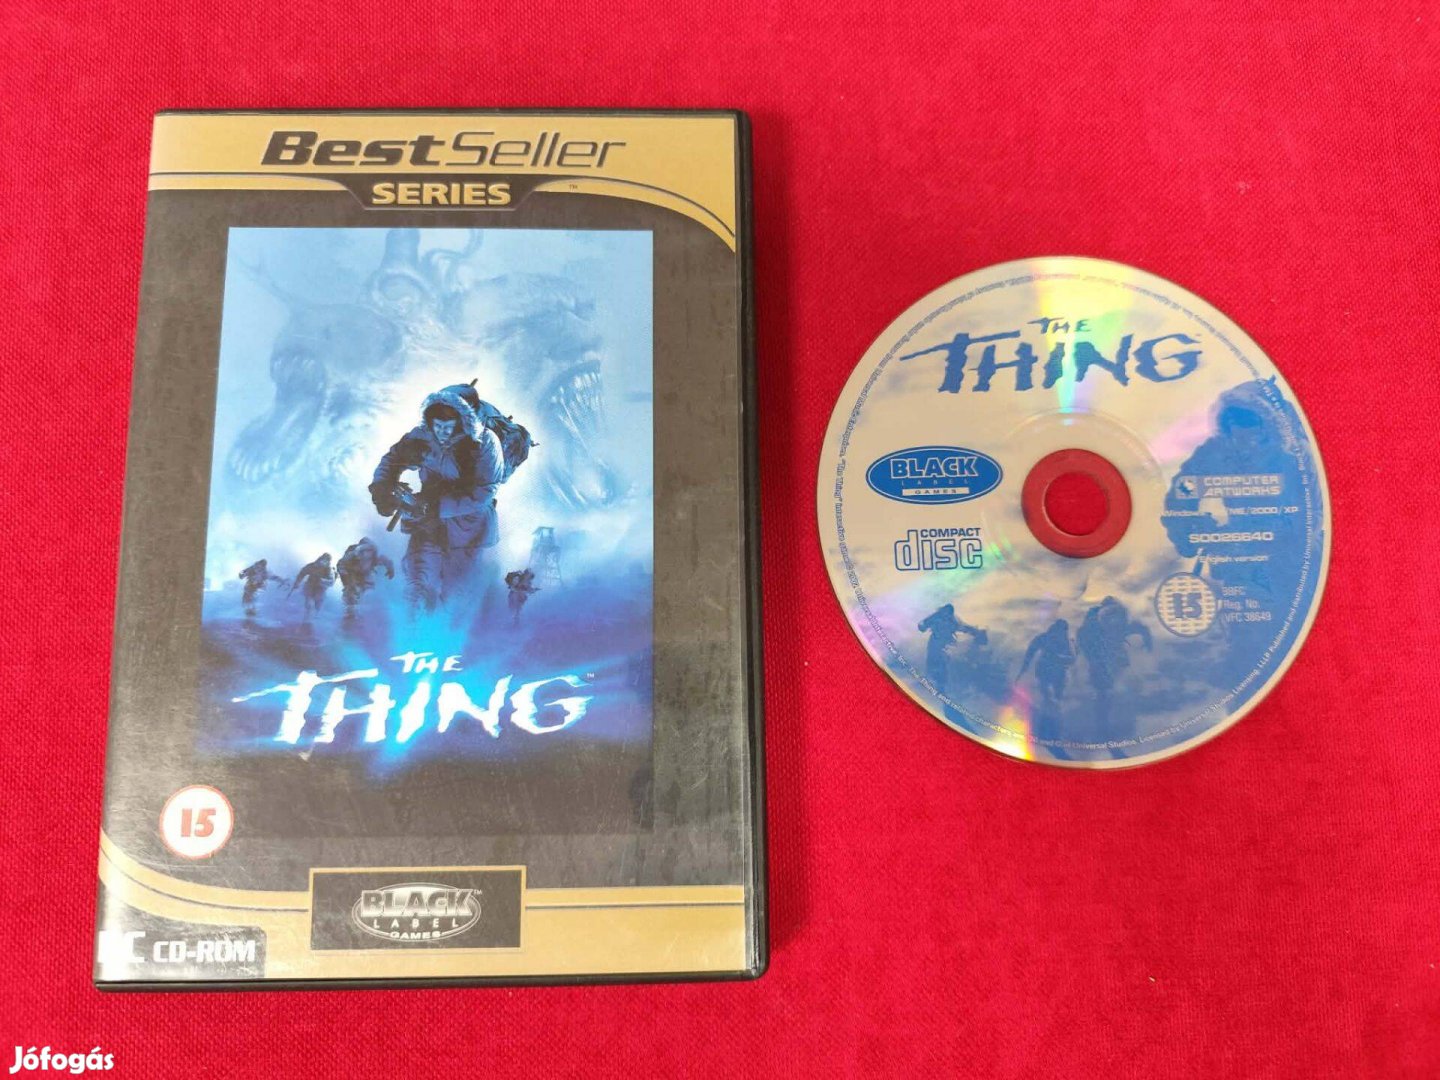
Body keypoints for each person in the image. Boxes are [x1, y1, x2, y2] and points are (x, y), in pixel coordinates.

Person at [369, 385, 512, 614]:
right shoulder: (421, 436)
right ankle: (415, 614)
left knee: (456, 586)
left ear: (462, 421)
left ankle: (447, 623)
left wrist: (436, 507)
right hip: (426, 517)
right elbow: (392, 460)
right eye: (438, 426)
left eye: (448, 427)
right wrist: (382, 489)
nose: (442, 432)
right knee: (418, 570)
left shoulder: (485, 443)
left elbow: (484, 492)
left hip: (469, 526)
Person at [1019, 618, 1074, 705]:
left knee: (1058, 695)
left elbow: (1072, 659)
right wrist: (1025, 666)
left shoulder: (1067, 641)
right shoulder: (1044, 637)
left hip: (1059, 671)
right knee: (1046, 694)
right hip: (1044, 669)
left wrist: (1059, 658)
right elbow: (1031, 651)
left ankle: (1055, 704)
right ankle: (1048, 703)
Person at [336, 537, 395, 614]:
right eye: (364, 550)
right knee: (352, 590)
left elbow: (385, 560)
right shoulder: (352, 555)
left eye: (369, 551)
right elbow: (341, 564)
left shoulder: (374, 558)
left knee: (368, 590)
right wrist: (345, 576)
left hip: (364, 574)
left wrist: (390, 569)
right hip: (351, 573)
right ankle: (349, 609)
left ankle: (365, 609)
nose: (367, 554)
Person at [290, 553, 335, 619]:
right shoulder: (313, 566)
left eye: (326, 560)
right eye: (323, 559)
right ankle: (307, 617)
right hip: (310, 585)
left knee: (317, 604)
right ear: (320, 559)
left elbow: (331, 582)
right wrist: (297, 582)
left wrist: (322, 580)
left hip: (321, 588)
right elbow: (302, 573)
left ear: (328, 562)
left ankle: (314, 617)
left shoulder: (329, 570)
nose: (323, 562)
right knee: (309, 603)